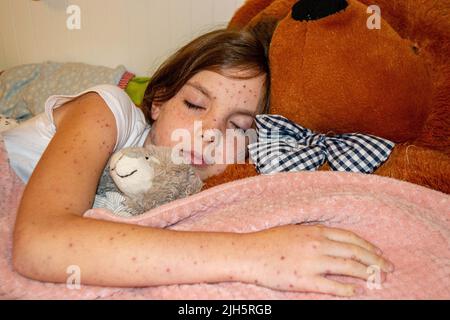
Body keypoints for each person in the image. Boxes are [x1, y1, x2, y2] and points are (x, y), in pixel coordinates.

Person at [6, 27, 394, 297]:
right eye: (194, 104)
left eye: (237, 125)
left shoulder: (196, 185)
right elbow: (40, 243)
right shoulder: (110, 111)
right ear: (158, 101)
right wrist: (254, 255)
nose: (209, 133)